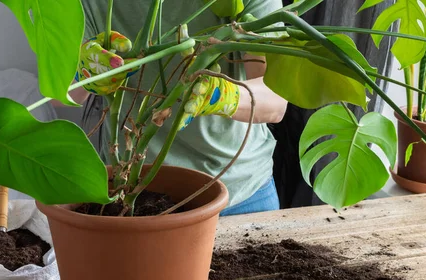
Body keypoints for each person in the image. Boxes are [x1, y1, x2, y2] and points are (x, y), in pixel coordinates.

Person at [59, 0, 288, 216]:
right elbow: (59, 94)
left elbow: (275, 100)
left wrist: (221, 96)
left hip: (240, 190)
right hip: (128, 190)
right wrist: (85, 73)